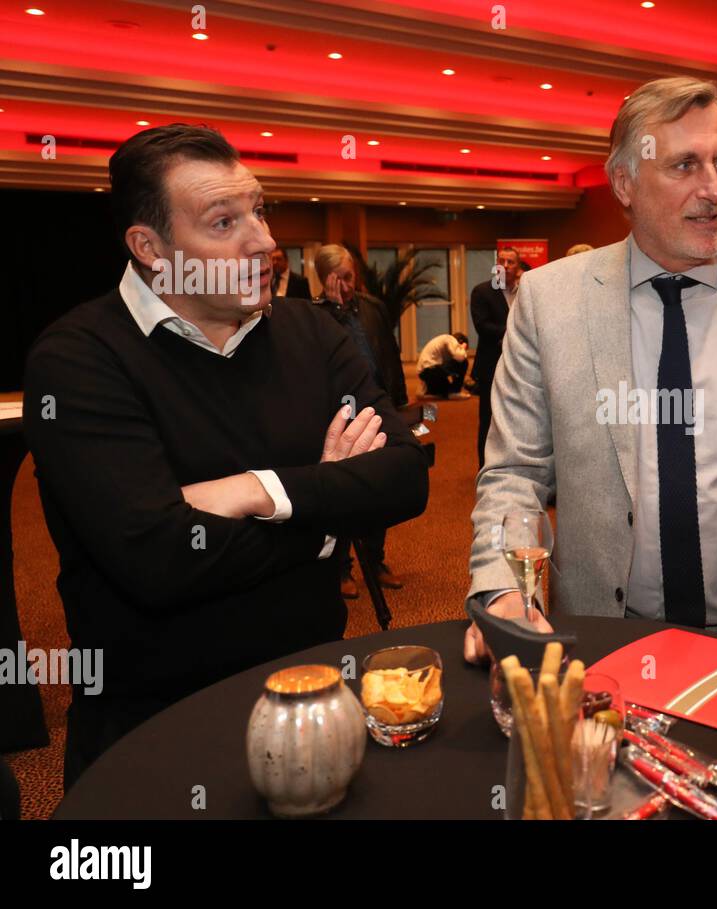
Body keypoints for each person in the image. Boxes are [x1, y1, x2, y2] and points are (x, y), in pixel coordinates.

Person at [23, 125, 427, 786]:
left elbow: (406, 478)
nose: (264, 241)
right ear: (150, 248)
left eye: (259, 209)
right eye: (224, 221)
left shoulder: (311, 332)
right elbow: (157, 559)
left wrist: (254, 490)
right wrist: (325, 517)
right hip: (158, 733)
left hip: (320, 700)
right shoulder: (77, 360)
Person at [463, 76, 717, 662]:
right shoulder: (549, 301)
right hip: (604, 636)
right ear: (624, 182)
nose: (714, 191)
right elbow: (514, 473)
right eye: (684, 166)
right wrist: (504, 588)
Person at [313, 244, 410, 594]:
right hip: (339, 415)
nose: (351, 284)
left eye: (352, 275)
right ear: (327, 278)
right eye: (344, 277)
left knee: (379, 488)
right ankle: (342, 569)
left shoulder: (373, 308)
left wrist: (399, 403)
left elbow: (390, 354)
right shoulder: (316, 315)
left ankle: (376, 558)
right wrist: (336, 308)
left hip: (379, 406)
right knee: (343, 492)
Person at [469, 247, 520, 466]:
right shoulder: (482, 291)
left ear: (518, 267)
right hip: (491, 366)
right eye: (502, 261)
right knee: (488, 419)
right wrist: (515, 333)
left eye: (511, 262)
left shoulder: (525, 291)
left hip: (519, 366)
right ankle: (485, 468)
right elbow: (483, 326)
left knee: (517, 419)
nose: (506, 266)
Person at [418, 331, 470, 397]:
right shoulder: (451, 339)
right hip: (430, 371)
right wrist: (463, 347)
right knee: (463, 362)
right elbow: (460, 357)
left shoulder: (444, 343)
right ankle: (456, 391)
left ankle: (428, 390)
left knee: (446, 391)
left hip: (425, 373)